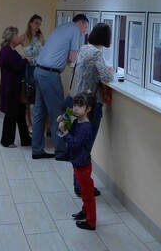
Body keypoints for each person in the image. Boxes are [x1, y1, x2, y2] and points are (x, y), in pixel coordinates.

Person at [66, 23, 114, 196]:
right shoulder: (96, 53)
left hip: (79, 102)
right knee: (86, 147)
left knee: (80, 145)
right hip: (91, 106)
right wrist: (111, 70)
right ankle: (82, 186)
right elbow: (106, 76)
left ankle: (78, 184)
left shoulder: (84, 48)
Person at [31, 14, 89, 160]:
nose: (85, 31)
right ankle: (61, 152)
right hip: (50, 75)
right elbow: (73, 58)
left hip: (38, 71)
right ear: (81, 23)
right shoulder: (75, 30)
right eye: (86, 27)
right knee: (58, 113)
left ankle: (37, 150)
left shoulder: (62, 27)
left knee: (39, 112)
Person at [58, 91, 97, 230]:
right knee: (84, 191)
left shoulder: (85, 127)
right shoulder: (78, 122)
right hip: (78, 163)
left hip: (83, 166)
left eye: (80, 106)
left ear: (88, 109)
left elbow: (74, 143)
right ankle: (85, 211)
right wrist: (63, 122)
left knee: (87, 194)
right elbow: (71, 132)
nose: (75, 108)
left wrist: (64, 132)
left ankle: (91, 222)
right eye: (74, 105)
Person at [0, 26, 32, 148]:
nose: (18, 37)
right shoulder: (6, 50)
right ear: (11, 37)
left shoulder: (11, 50)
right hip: (10, 87)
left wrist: (23, 57)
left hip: (16, 87)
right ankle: (7, 141)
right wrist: (26, 60)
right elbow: (16, 66)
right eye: (16, 35)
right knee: (11, 114)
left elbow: (17, 59)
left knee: (20, 113)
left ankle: (25, 140)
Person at [21, 14, 45, 134]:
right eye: (36, 23)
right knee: (28, 96)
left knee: (39, 96)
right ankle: (28, 122)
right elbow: (10, 48)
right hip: (29, 69)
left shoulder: (40, 37)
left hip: (40, 68)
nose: (38, 26)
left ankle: (40, 123)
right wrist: (23, 57)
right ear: (30, 23)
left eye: (39, 24)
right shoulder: (24, 37)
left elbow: (46, 50)